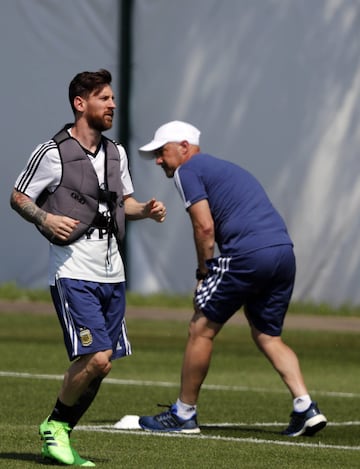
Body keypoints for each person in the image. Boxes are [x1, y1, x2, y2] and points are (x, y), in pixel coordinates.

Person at [10, 69, 166, 466]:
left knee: (104, 363)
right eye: (104, 98)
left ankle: (59, 431)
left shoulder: (117, 152)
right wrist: (44, 219)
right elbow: (18, 196)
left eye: (113, 98)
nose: (112, 104)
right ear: (81, 104)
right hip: (73, 268)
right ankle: (55, 428)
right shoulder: (52, 152)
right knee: (96, 358)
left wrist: (144, 210)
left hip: (112, 273)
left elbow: (123, 203)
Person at [137, 120, 327, 437]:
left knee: (200, 327)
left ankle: (183, 414)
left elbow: (205, 228)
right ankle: (305, 406)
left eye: (162, 151)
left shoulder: (188, 170)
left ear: (184, 147)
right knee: (267, 335)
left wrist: (203, 272)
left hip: (248, 255)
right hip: (283, 253)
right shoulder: (225, 168)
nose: (158, 160)